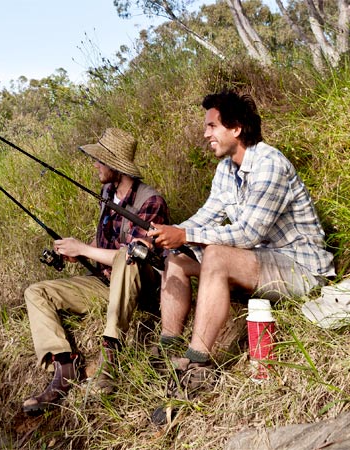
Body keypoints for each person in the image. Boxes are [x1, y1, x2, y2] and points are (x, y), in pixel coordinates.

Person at [145, 90, 335, 423]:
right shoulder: (225, 170)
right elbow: (207, 216)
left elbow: (249, 233)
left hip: (301, 268)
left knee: (216, 255)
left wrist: (187, 235)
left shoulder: (270, 164)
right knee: (176, 256)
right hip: (261, 261)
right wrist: (170, 234)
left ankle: (197, 366)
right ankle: (168, 349)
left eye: (212, 126)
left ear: (236, 128)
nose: (206, 134)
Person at [22, 127, 170, 415]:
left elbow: (134, 255)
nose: (95, 165)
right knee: (36, 292)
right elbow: (106, 244)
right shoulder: (107, 193)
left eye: (100, 160)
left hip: (137, 289)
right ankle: (64, 368)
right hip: (103, 284)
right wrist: (76, 252)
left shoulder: (151, 202)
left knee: (128, 257)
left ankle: (110, 358)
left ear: (115, 165)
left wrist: (85, 250)